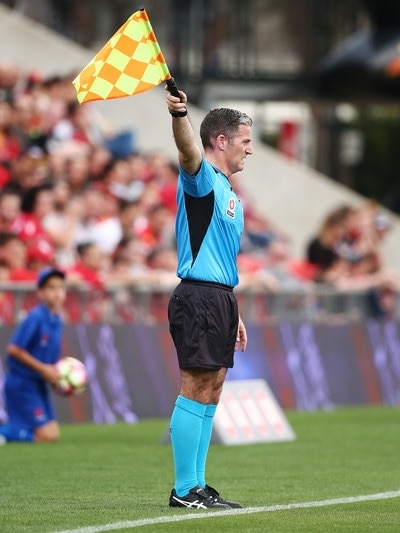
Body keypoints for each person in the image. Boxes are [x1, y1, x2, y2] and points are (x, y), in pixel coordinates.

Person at [165, 86, 251, 509]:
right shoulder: (201, 179)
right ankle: (184, 490)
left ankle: (197, 484)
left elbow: (220, 256)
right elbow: (186, 153)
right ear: (221, 141)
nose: (249, 151)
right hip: (198, 296)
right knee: (195, 384)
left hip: (218, 297)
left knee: (213, 386)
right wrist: (180, 115)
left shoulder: (230, 194)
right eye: (246, 142)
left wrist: (233, 311)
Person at [0, 267, 66, 443]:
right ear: (40, 292)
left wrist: (58, 375)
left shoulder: (58, 319)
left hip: (39, 384)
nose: (57, 293)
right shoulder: (36, 317)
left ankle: (8, 433)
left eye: (60, 287)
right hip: (22, 383)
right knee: (44, 436)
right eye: (51, 288)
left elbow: (50, 356)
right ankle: (3, 433)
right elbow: (14, 349)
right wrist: (43, 369)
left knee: (53, 434)